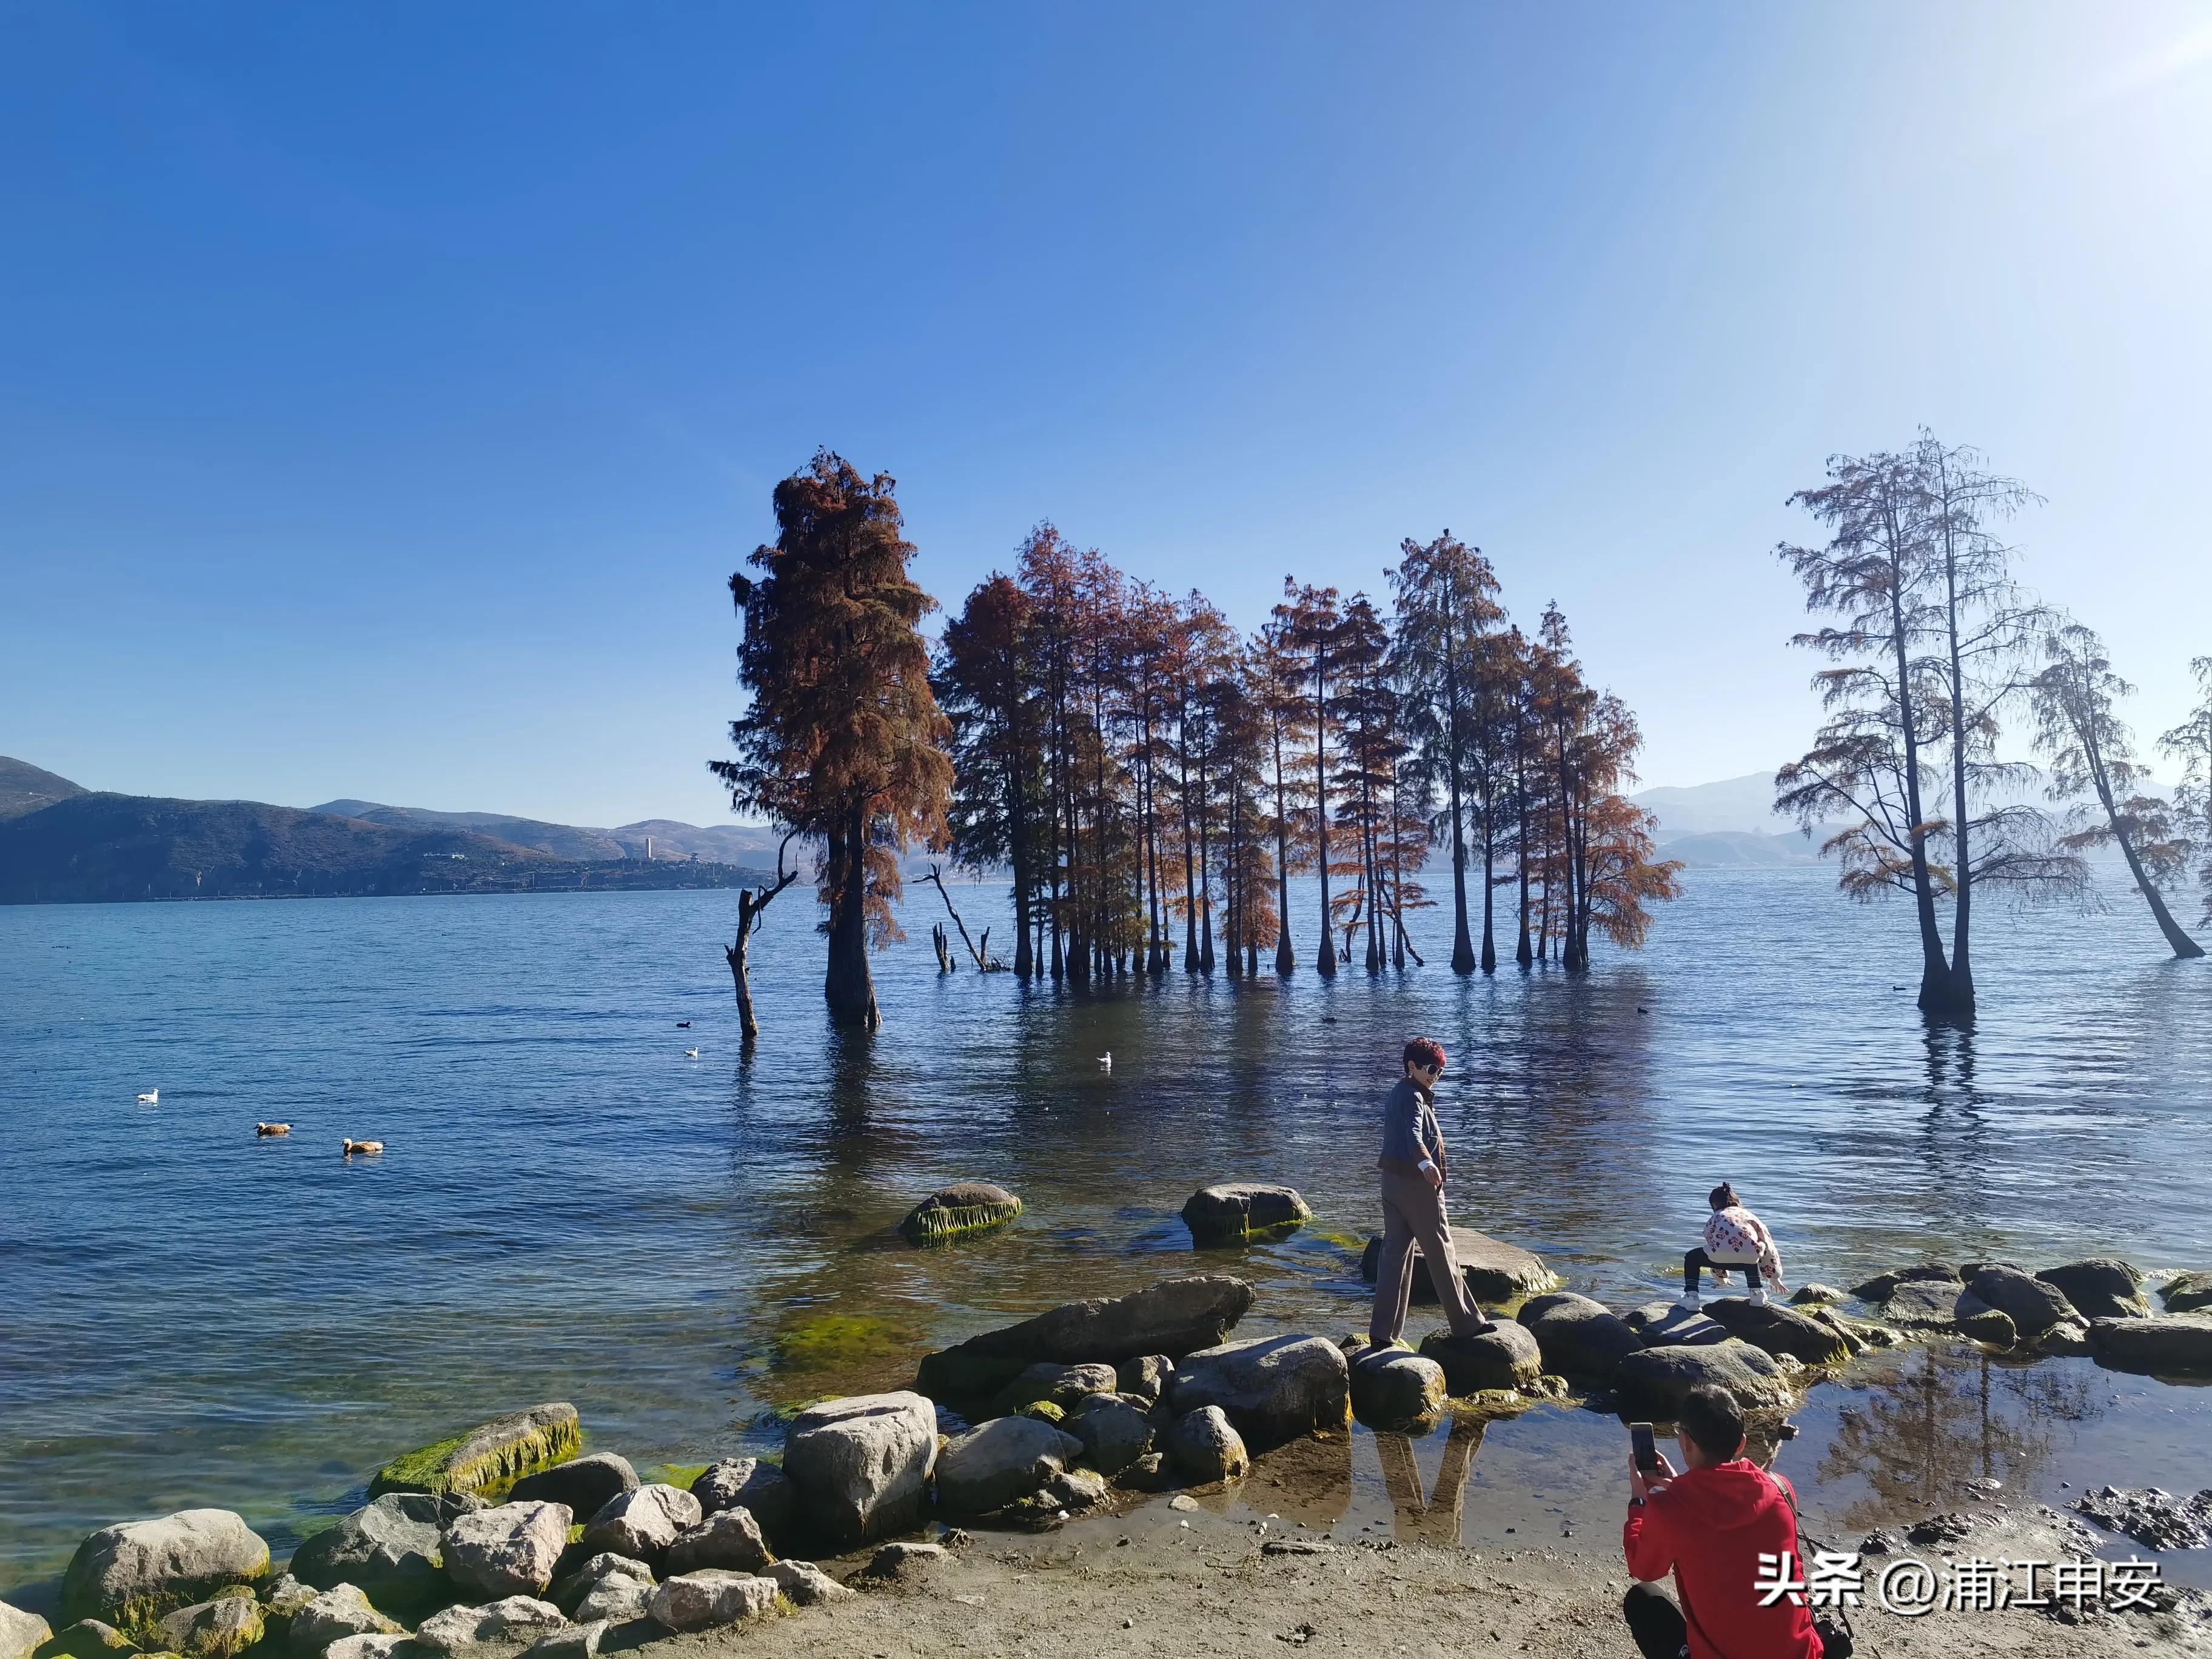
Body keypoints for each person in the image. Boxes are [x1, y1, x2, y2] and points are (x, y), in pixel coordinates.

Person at [1622, 1383, 1823, 1659]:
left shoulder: (1669, 1510)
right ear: (1741, 1443)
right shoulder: (1781, 1489)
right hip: (1800, 1653)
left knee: (1643, 1599)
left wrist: (1639, 1502)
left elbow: (1643, 1567)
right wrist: (1680, 1487)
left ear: (1686, 1441)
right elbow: (1728, 1517)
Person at [1368, 1036, 1496, 1349]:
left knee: (1394, 1257)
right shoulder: (1413, 1096)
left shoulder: (1397, 1092)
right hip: (1417, 1186)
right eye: (1429, 1068)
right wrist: (1427, 1163)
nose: (1434, 1075)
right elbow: (1413, 1134)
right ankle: (1466, 1323)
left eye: (1439, 1071)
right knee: (1442, 1251)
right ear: (1411, 1066)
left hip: (1392, 1184)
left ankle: (1383, 1334)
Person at [1678, 1182, 1787, 1311]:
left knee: (1692, 1257)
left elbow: (1715, 1245)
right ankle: (1756, 1294)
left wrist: (1721, 1277)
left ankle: (1692, 1297)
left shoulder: (1716, 1217)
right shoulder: (1749, 1216)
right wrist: (1774, 1277)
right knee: (1751, 1249)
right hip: (1749, 1260)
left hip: (1719, 1259)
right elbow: (1769, 1244)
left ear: (1714, 1205)